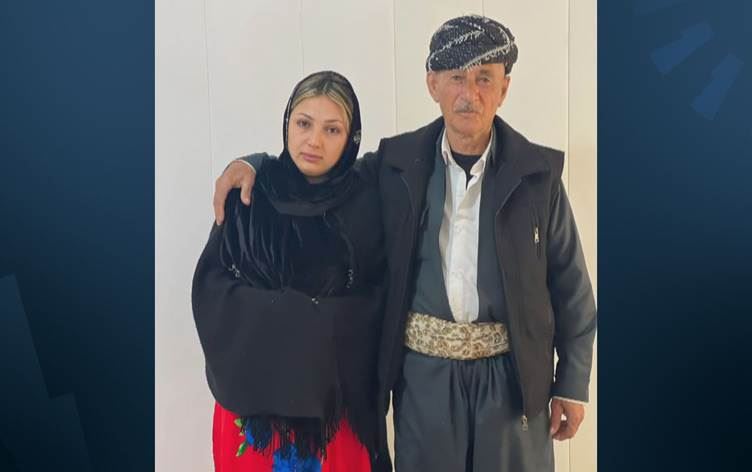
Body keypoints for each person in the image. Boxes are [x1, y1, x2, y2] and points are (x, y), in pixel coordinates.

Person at [214, 14, 597, 472]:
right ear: (433, 84)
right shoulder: (397, 165)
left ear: (504, 88)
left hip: (512, 381)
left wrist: (571, 382)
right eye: (456, 78)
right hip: (424, 379)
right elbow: (326, 176)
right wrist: (255, 163)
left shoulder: (536, 178)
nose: (469, 94)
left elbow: (572, 288)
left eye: (484, 78)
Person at [192, 70, 389, 472]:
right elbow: (212, 289)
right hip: (253, 411)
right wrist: (295, 315)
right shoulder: (250, 195)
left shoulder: (367, 205)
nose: (314, 141)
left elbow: (378, 300)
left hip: (334, 416)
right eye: (303, 123)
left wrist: (313, 319)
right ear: (287, 123)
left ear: (351, 138)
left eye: (332, 129)